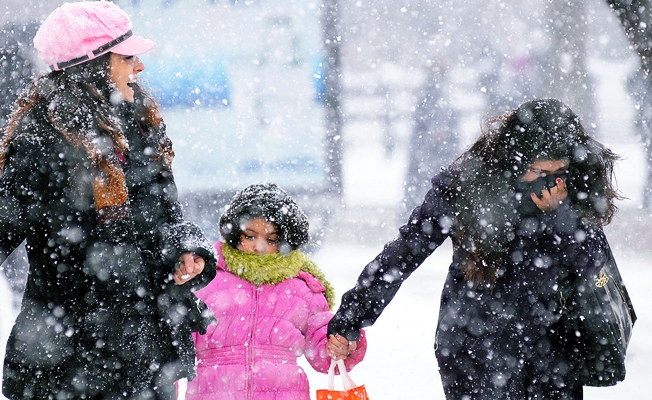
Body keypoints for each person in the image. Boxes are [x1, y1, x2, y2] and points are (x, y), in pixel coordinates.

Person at [327, 98, 622, 399]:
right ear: (517, 160)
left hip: (553, 356)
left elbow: (594, 270)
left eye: (560, 171)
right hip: (474, 350)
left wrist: (564, 219)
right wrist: (352, 316)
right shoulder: (466, 189)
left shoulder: (572, 195)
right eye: (540, 172)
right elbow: (405, 253)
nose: (551, 183)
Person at [0, 2, 217, 399]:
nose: (139, 66)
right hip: (67, 360)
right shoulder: (41, 140)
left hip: (148, 357)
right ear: (93, 65)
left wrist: (186, 252)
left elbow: (166, 214)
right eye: (127, 55)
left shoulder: (140, 125)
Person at [185, 183, 367, 400]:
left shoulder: (302, 288)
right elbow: (176, 344)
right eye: (250, 236)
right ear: (235, 233)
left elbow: (323, 353)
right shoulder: (205, 279)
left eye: (271, 239)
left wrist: (342, 344)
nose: (259, 247)